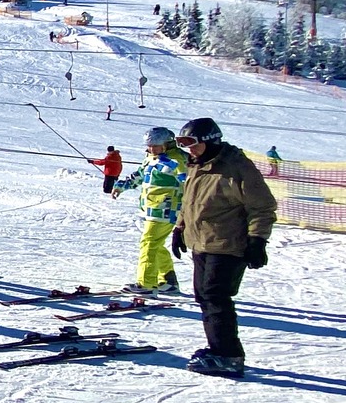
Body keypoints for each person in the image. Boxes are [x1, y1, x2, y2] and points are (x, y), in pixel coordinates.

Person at [171, 116, 277, 378]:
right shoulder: (198, 165)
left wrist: (257, 241)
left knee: (216, 297)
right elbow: (190, 201)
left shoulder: (236, 167)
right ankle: (217, 348)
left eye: (191, 143)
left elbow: (262, 207)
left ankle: (229, 355)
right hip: (201, 242)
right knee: (204, 297)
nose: (188, 149)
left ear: (209, 140)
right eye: (183, 143)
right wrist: (179, 228)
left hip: (228, 243)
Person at [112, 127, 186, 294]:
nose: (149, 149)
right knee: (155, 243)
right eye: (149, 145)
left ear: (166, 144)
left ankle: (146, 284)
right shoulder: (151, 158)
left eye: (154, 145)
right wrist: (121, 186)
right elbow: (139, 174)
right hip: (152, 209)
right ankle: (168, 280)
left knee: (149, 243)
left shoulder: (177, 160)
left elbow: (190, 183)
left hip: (168, 208)